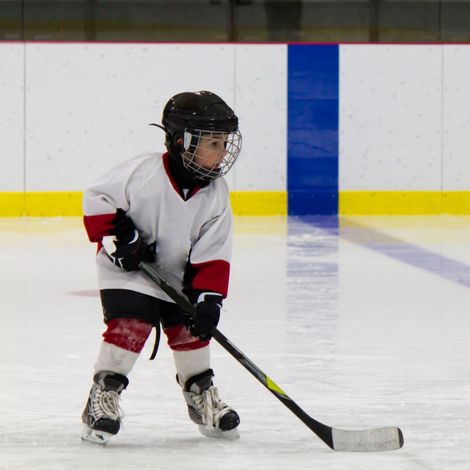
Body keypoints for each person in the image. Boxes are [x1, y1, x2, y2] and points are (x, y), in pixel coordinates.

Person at [81, 90, 242, 445]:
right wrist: (119, 240)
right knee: (130, 325)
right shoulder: (144, 172)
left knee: (192, 331)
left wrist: (209, 300)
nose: (221, 152)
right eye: (211, 143)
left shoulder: (216, 195)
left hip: (177, 276)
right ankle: (102, 396)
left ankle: (200, 394)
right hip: (128, 271)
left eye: (223, 142)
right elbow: (97, 199)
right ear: (181, 141)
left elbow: (213, 251)